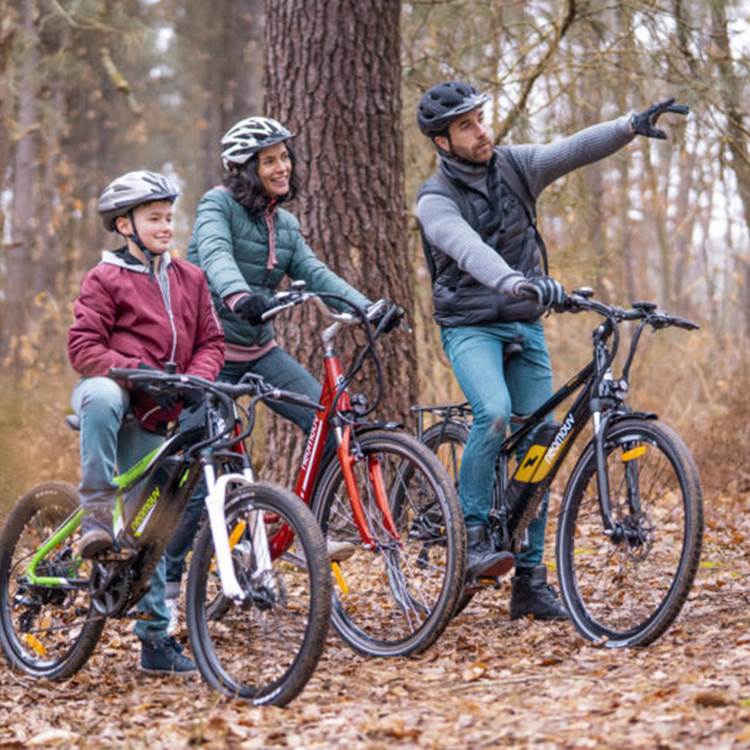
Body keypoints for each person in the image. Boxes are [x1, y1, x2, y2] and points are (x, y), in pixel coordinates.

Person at [415, 81, 687, 620]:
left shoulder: (515, 166)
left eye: (481, 119)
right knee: (492, 414)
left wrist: (629, 125)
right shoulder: (435, 199)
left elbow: (570, 148)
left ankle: (531, 582)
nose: (481, 131)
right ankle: (472, 533)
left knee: (545, 440)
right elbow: (465, 249)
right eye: (466, 126)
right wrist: (515, 281)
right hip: (471, 326)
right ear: (442, 142)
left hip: (524, 325)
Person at [162, 116, 396, 632]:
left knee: (330, 415)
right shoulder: (216, 205)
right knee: (207, 474)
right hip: (208, 354)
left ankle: (302, 529)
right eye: (270, 160)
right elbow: (217, 256)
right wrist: (237, 294)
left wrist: (367, 306)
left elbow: (315, 271)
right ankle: (168, 578)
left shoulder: (284, 225)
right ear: (246, 169)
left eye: (285, 157)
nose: (282, 166)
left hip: (261, 351)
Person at [67, 170, 225, 672]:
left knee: (153, 528)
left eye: (167, 217)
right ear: (124, 225)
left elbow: (211, 343)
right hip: (123, 405)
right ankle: (95, 510)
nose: (165, 226)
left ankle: (155, 641)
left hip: (168, 416)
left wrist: (191, 381)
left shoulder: (190, 278)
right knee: (97, 392)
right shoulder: (105, 277)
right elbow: (83, 347)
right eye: (153, 218)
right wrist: (134, 375)